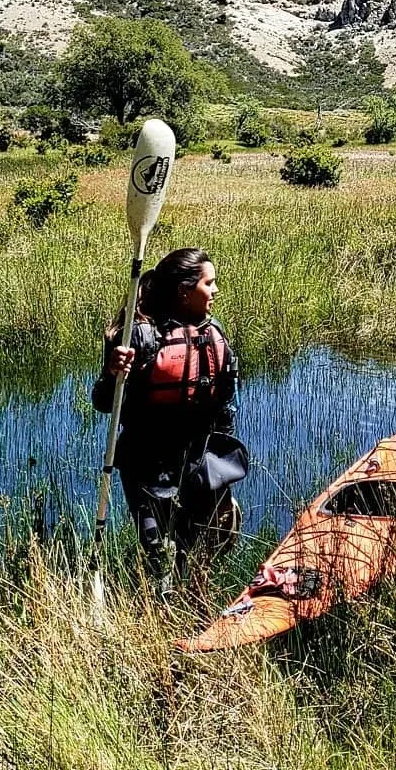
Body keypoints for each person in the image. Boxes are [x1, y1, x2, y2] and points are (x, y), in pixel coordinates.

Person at [92, 247, 242, 584]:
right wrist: (113, 373)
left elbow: (224, 406)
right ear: (184, 292)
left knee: (201, 551)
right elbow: (103, 402)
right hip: (147, 464)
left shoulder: (212, 333)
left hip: (198, 460)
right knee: (157, 551)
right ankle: (154, 609)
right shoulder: (138, 335)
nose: (215, 290)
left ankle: (192, 609)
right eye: (209, 283)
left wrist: (223, 466)